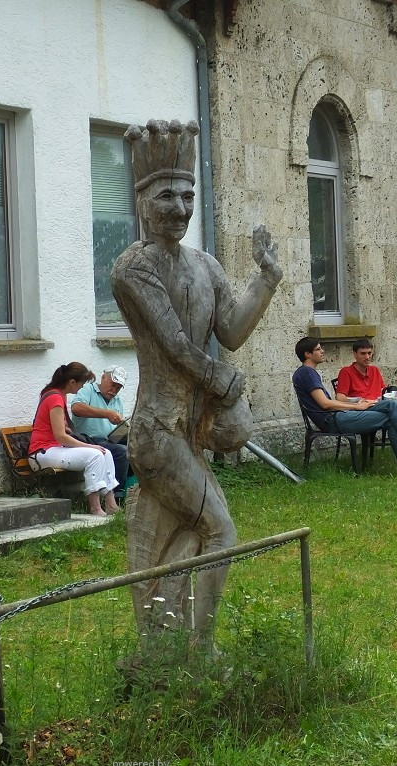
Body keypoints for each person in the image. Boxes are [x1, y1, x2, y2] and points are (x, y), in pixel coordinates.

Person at [110, 119, 282, 646]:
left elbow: (229, 331)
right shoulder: (133, 267)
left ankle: (165, 639)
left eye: (188, 196)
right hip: (158, 432)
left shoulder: (206, 264)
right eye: (167, 197)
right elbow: (175, 345)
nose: (181, 209)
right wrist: (224, 383)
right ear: (142, 200)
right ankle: (195, 649)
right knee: (219, 529)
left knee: (188, 531)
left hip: (192, 429)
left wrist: (266, 280)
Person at [293, 337, 397, 476]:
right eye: (318, 349)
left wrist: (359, 404)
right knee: (391, 412)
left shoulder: (306, 372)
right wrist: (357, 406)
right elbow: (325, 403)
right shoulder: (307, 373)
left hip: (338, 416)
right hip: (333, 420)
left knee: (391, 412)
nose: (322, 351)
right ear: (308, 354)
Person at [29, 363, 120, 517]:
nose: (81, 387)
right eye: (81, 383)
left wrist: (67, 429)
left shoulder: (58, 395)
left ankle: (111, 504)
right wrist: (89, 446)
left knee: (106, 453)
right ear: (72, 382)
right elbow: (61, 437)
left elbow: (58, 430)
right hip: (41, 453)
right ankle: (95, 508)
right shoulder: (56, 398)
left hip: (53, 449)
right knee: (95, 455)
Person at [335, 338, 397, 446]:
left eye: (369, 353)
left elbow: (384, 391)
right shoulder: (346, 372)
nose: (367, 357)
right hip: (368, 409)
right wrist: (360, 401)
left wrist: (392, 394)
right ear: (355, 354)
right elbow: (340, 398)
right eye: (363, 354)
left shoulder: (374, 370)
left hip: (385, 404)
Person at [69, 365, 130, 497]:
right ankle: (116, 496)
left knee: (135, 449)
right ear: (103, 377)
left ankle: (130, 491)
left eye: (118, 388)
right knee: (121, 452)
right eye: (112, 385)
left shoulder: (117, 400)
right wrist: (107, 414)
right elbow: (76, 408)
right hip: (87, 440)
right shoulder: (88, 389)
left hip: (108, 440)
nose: (114, 390)